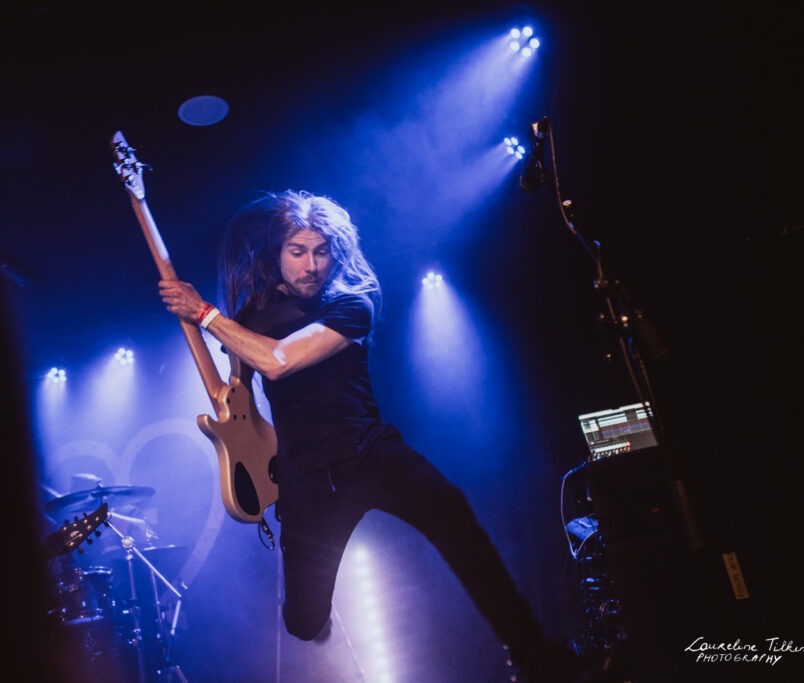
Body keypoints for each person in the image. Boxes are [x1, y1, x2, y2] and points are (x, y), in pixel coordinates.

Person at [158, 189, 590, 682]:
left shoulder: (351, 303)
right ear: (277, 253)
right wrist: (205, 336)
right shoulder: (253, 315)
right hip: (305, 479)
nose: (311, 265)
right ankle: (310, 608)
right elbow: (233, 397)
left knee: (451, 510)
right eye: (298, 252)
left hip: (369, 453)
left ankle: (535, 655)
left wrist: (205, 314)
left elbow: (278, 361)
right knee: (304, 622)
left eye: (321, 252)